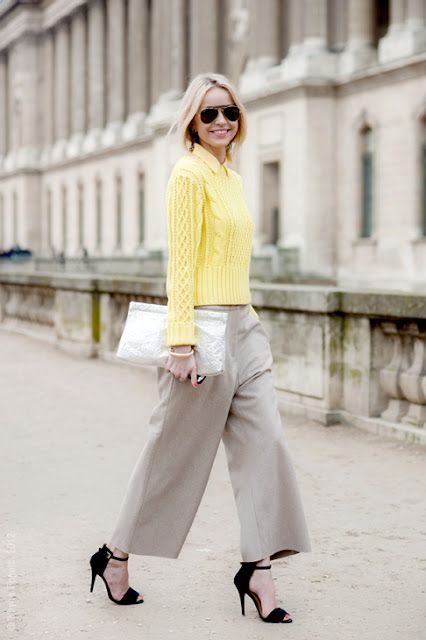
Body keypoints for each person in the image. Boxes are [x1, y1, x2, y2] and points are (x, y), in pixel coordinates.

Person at [89, 73, 311, 623]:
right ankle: (114, 556)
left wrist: (248, 322)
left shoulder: (231, 176)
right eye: (209, 113)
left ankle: (258, 567)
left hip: (245, 328)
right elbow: (181, 264)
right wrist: (181, 341)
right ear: (192, 119)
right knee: (174, 454)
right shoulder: (188, 175)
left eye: (229, 112)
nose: (220, 122)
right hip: (202, 333)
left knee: (268, 445)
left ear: (239, 119)